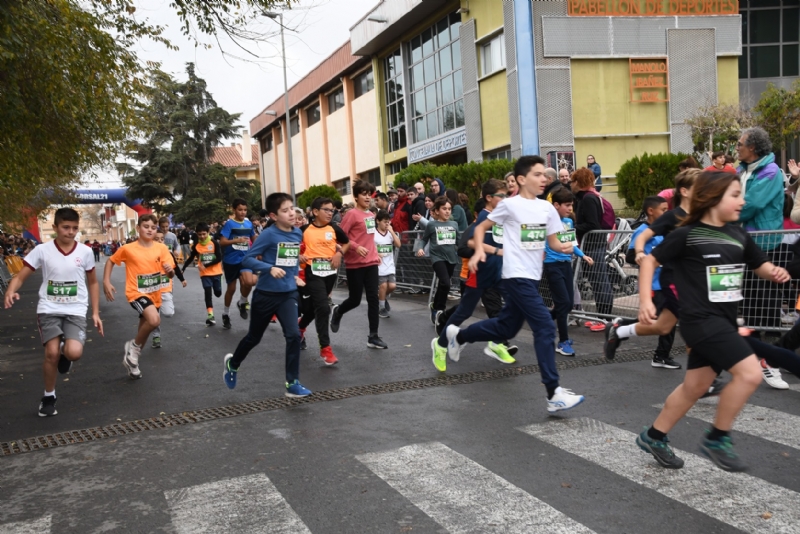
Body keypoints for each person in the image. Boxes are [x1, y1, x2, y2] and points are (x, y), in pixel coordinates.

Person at [635, 170, 790, 472]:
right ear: (712, 198)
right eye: (735, 195)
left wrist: (775, 272)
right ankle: (718, 438)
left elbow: (760, 265)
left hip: (724, 321)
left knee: (695, 387)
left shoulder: (739, 234)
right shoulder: (687, 234)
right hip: (700, 321)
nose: (742, 201)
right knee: (749, 374)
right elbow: (651, 260)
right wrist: (644, 301)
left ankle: (654, 436)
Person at [445, 155, 585, 413]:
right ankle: (553, 392)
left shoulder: (546, 209)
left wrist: (567, 248)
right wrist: (477, 252)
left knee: (504, 328)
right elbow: (480, 227)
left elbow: (553, 243)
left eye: (545, 175)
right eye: (537, 174)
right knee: (544, 328)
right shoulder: (510, 206)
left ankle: (460, 336)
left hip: (532, 278)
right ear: (521, 179)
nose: (543, 179)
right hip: (514, 276)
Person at [3, 208, 103, 417]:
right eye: (66, 227)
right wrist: (11, 290)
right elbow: (21, 276)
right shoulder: (42, 250)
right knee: (51, 352)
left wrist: (95, 312)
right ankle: (49, 396)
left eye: (75, 228)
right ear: (55, 227)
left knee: (74, 352)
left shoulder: (84, 252)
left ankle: (67, 350)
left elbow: (93, 283)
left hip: (75, 309)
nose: (70, 232)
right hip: (49, 308)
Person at [223, 192, 311, 398]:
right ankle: (232, 363)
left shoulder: (297, 233)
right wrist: (269, 267)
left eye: (292, 208)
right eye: (285, 210)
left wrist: (296, 272)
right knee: (254, 337)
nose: (291, 213)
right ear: (273, 215)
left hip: (288, 294)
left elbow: (288, 258)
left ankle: (292, 383)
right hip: (266, 294)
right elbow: (247, 259)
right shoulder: (268, 235)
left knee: (293, 335)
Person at [606, 170, 699, 361]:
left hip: (695, 279)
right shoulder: (674, 216)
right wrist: (639, 252)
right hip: (675, 279)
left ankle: (620, 331)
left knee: (664, 326)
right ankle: (706, 379)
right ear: (686, 191)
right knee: (695, 328)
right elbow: (643, 236)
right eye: (702, 186)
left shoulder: (704, 215)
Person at [431, 179, 517, 371]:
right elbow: (470, 241)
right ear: (489, 198)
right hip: (482, 271)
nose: (505, 199)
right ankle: (441, 344)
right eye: (501, 196)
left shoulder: (500, 216)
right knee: (464, 312)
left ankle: (497, 342)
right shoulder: (484, 217)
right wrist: (496, 251)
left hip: (500, 271)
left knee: (513, 305)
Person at [103, 214, 175, 380]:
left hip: (154, 294)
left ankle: (132, 361)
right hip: (136, 293)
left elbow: (170, 274)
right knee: (155, 320)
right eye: (146, 226)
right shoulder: (128, 248)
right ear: (138, 228)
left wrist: (169, 271)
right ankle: (133, 349)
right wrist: (106, 281)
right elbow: (111, 261)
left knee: (146, 328)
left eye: (153, 227)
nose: (150, 230)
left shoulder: (161, 248)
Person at [736, 127, 785, 334]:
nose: (736, 148)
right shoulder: (741, 170)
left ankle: (772, 348)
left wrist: (724, 217)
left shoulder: (771, 171)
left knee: (766, 296)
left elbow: (752, 203)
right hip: (745, 241)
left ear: (752, 147)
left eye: (739, 144)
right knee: (749, 294)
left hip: (765, 242)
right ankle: (753, 342)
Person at [330, 180, 388, 349]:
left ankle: (373, 336)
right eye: (363, 194)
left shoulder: (371, 215)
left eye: (369, 194)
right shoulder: (351, 215)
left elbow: (370, 239)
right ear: (356, 197)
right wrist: (356, 247)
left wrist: (375, 253)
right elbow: (340, 237)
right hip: (354, 264)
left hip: (370, 263)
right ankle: (338, 311)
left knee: (373, 299)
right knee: (355, 300)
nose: (367, 197)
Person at [625, 195, 681, 369]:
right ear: (651, 211)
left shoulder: (665, 230)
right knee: (657, 320)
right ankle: (620, 326)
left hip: (667, 281)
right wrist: (646, 258)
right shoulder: (642, 231)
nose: (667, 213)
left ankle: (661, 355)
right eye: (663, 210)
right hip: (652, 283)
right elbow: (630, 256)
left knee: (665, 319)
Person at [297, 197, 349, 366]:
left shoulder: (334, 228)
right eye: (326, 210)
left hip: (330, 273)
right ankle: (325, 349)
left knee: (315, 307)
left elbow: (346, 243)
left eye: (332, 210)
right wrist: (299, 256)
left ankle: (301, 327)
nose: (330, 213)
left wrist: (339, 254)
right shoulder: (304, 230)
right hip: (312, 271)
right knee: (323, 307)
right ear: (315, 212)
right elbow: (291, 249)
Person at [544, 188, 594, 356]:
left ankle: (544, 321)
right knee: (563, 303)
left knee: (568, 302)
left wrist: (583, 255)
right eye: (567, 205)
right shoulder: (545, 221)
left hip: (566, 264)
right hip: (552, 265)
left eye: (571, 205)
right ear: (556, 205)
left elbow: (570, 244)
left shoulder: (568, 222)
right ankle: (563, 341)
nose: (570, 208)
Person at [573, 167, 613, 328]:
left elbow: (592, 224)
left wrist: (574, 228)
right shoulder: (589, 197)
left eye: (572, 181)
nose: (570, 184)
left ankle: (605, 319)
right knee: (597, 281)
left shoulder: (589, 199)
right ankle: (601, 317)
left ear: (579, 182)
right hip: (592, 244)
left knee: (600, 281)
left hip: (593, 245)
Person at [414, 197, 460, 324]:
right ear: (437, 211)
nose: (447, 211)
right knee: (445, 283)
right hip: (437, 258)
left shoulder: (454, 224)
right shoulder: (432, 225)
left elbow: (459, 241)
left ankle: (435, 306)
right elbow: (424, 239)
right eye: (444, 209)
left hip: (451, 258)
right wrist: (420, 248)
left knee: (443, 284)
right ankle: (440, 309)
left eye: (449, 209)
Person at [219, 198, 256, 329]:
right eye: (240, 210)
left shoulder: (249, 224)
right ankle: (226, 313)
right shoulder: (229, 224)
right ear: (234, 210)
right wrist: (236, 241)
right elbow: (222, 242)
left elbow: (253, 237)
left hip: (245, 258)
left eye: (245, 210)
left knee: (249, 282)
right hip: (231, 260)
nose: (243, 212)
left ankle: (242, 302)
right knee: (231, 288)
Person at [182, 222, 223, 326]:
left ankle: (217, 288)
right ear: (196, 234)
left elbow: (219, 258)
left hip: (216, 273)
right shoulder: (197, 246)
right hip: (204, 274)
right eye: (199, 234)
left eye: (204, 234)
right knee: (207, 293)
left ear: (208, 233)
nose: (202, 236)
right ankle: (210, 315)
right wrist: (183, 268)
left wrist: (207, 265)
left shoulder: (214, 243)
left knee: (218, 293)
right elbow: (191, 258)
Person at [151, 230, 186, 348]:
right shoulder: (147, 254)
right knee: (154, 316)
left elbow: (175, 269)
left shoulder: (168, 254)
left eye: (162, 239)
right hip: (151, 289)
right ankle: (156, 336)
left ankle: (164, 305)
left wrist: (182, 279)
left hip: (165, 288)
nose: (160, 241)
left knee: (169, 313)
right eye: (156, 239)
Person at [375, 209, 401, 318]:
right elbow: (369, 246)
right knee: (383, 285)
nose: (387, 224)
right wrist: (376, 253)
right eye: (384, 222)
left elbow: (398, 245)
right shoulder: (373, 233)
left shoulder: (390, 233)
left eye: (388, 222)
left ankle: (380, 298)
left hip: (389, 264)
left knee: (392, 286)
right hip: (379, 265)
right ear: (378, 221)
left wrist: (392, 231)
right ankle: (381, 307)